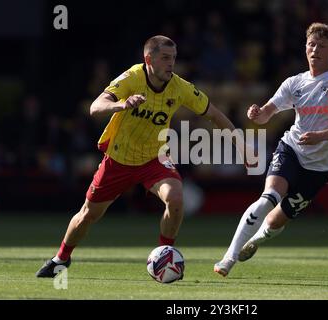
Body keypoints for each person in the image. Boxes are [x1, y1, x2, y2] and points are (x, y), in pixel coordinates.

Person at [36, 35, 247, 278]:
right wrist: (122, 105)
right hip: (119, 159)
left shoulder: (180, 87)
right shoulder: (133, 77)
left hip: (154, 158)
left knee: (176, 199)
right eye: (165, 58)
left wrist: (242, 146)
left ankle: (164, 255)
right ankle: (61, 258)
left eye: (174, 59)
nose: (171, 64)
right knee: (87, 215)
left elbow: (216, 115)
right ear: (148, 59)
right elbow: (95, 107)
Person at [214, 23, 328, 277]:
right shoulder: (294, 83)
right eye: (311, 44)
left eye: (321, 46)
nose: (315, 50)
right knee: (269, 197)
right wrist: (257, 113)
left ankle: (256, 240)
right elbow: (265, 116)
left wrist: (321, 136)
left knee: (275, 221)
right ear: (305, 47)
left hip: (321, 166)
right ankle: (228, 259)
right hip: (292, 149)